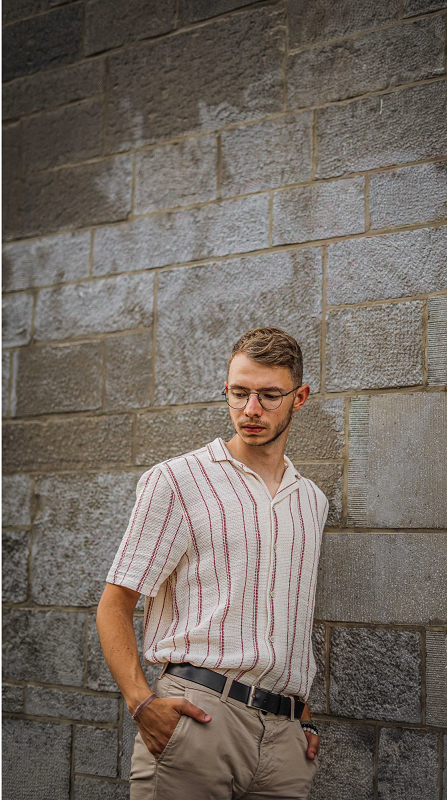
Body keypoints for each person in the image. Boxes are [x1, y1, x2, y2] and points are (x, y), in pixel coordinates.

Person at [97, 327, 329, 800]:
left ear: (299, 397)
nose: (251, 410)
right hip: (200, 717)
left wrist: (302, 717)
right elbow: (114, 605)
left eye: (269, 396)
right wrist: (142, 704)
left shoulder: (312, 501)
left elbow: (291, 621)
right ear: (226, 389)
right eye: (239, 393)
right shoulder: (179, 481)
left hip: (286, 740)